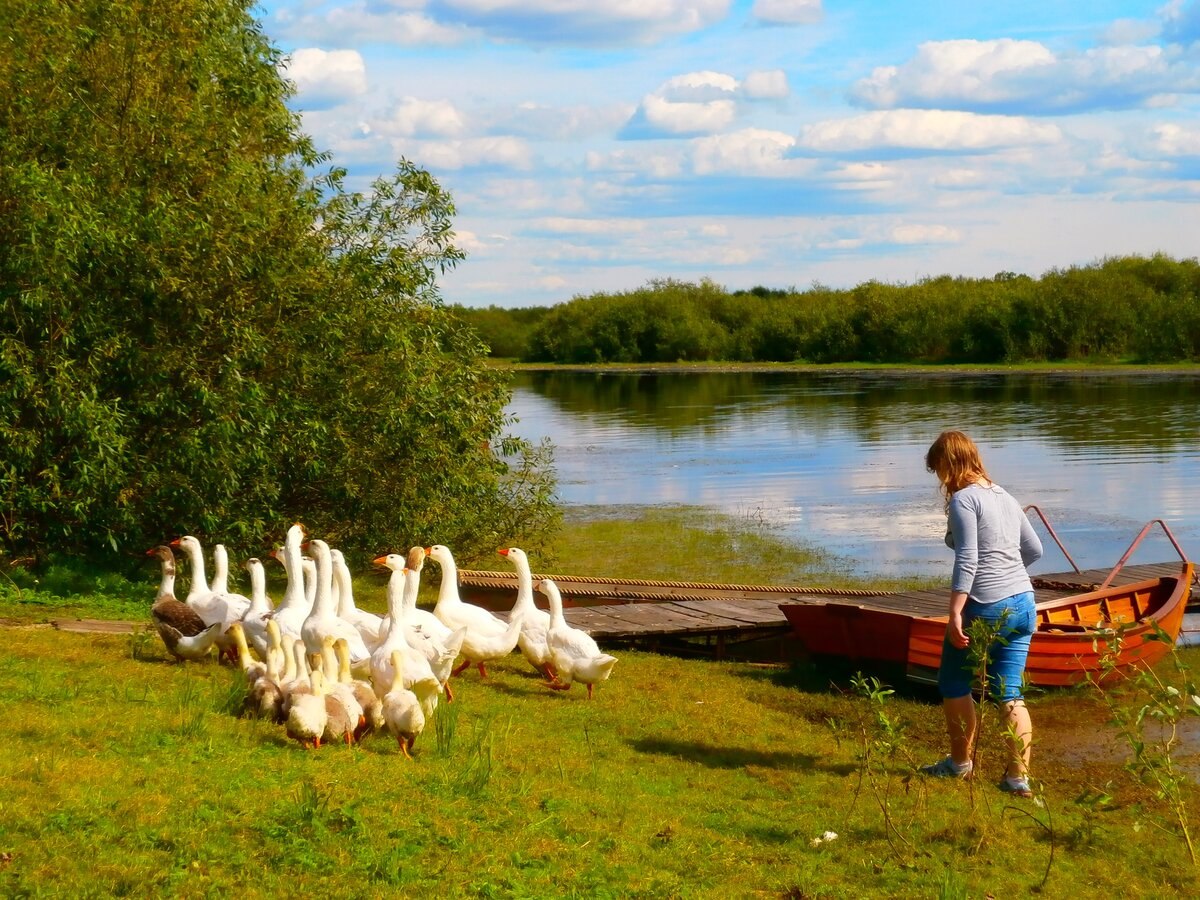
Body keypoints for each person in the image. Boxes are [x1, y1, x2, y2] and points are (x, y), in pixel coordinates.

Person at [920, 430, 1043, 798]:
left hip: (985, 605)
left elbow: (969, 557)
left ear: (948, 462)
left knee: (954, 683)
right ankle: (1017, 779)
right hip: (1023, 600)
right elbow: (1034, 550)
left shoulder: (964, 500)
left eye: (938, 468)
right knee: (1010, 693)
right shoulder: (1005, 495)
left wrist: (955, 610)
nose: (939, 478)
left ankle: (959, 765)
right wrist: (1007, 571)